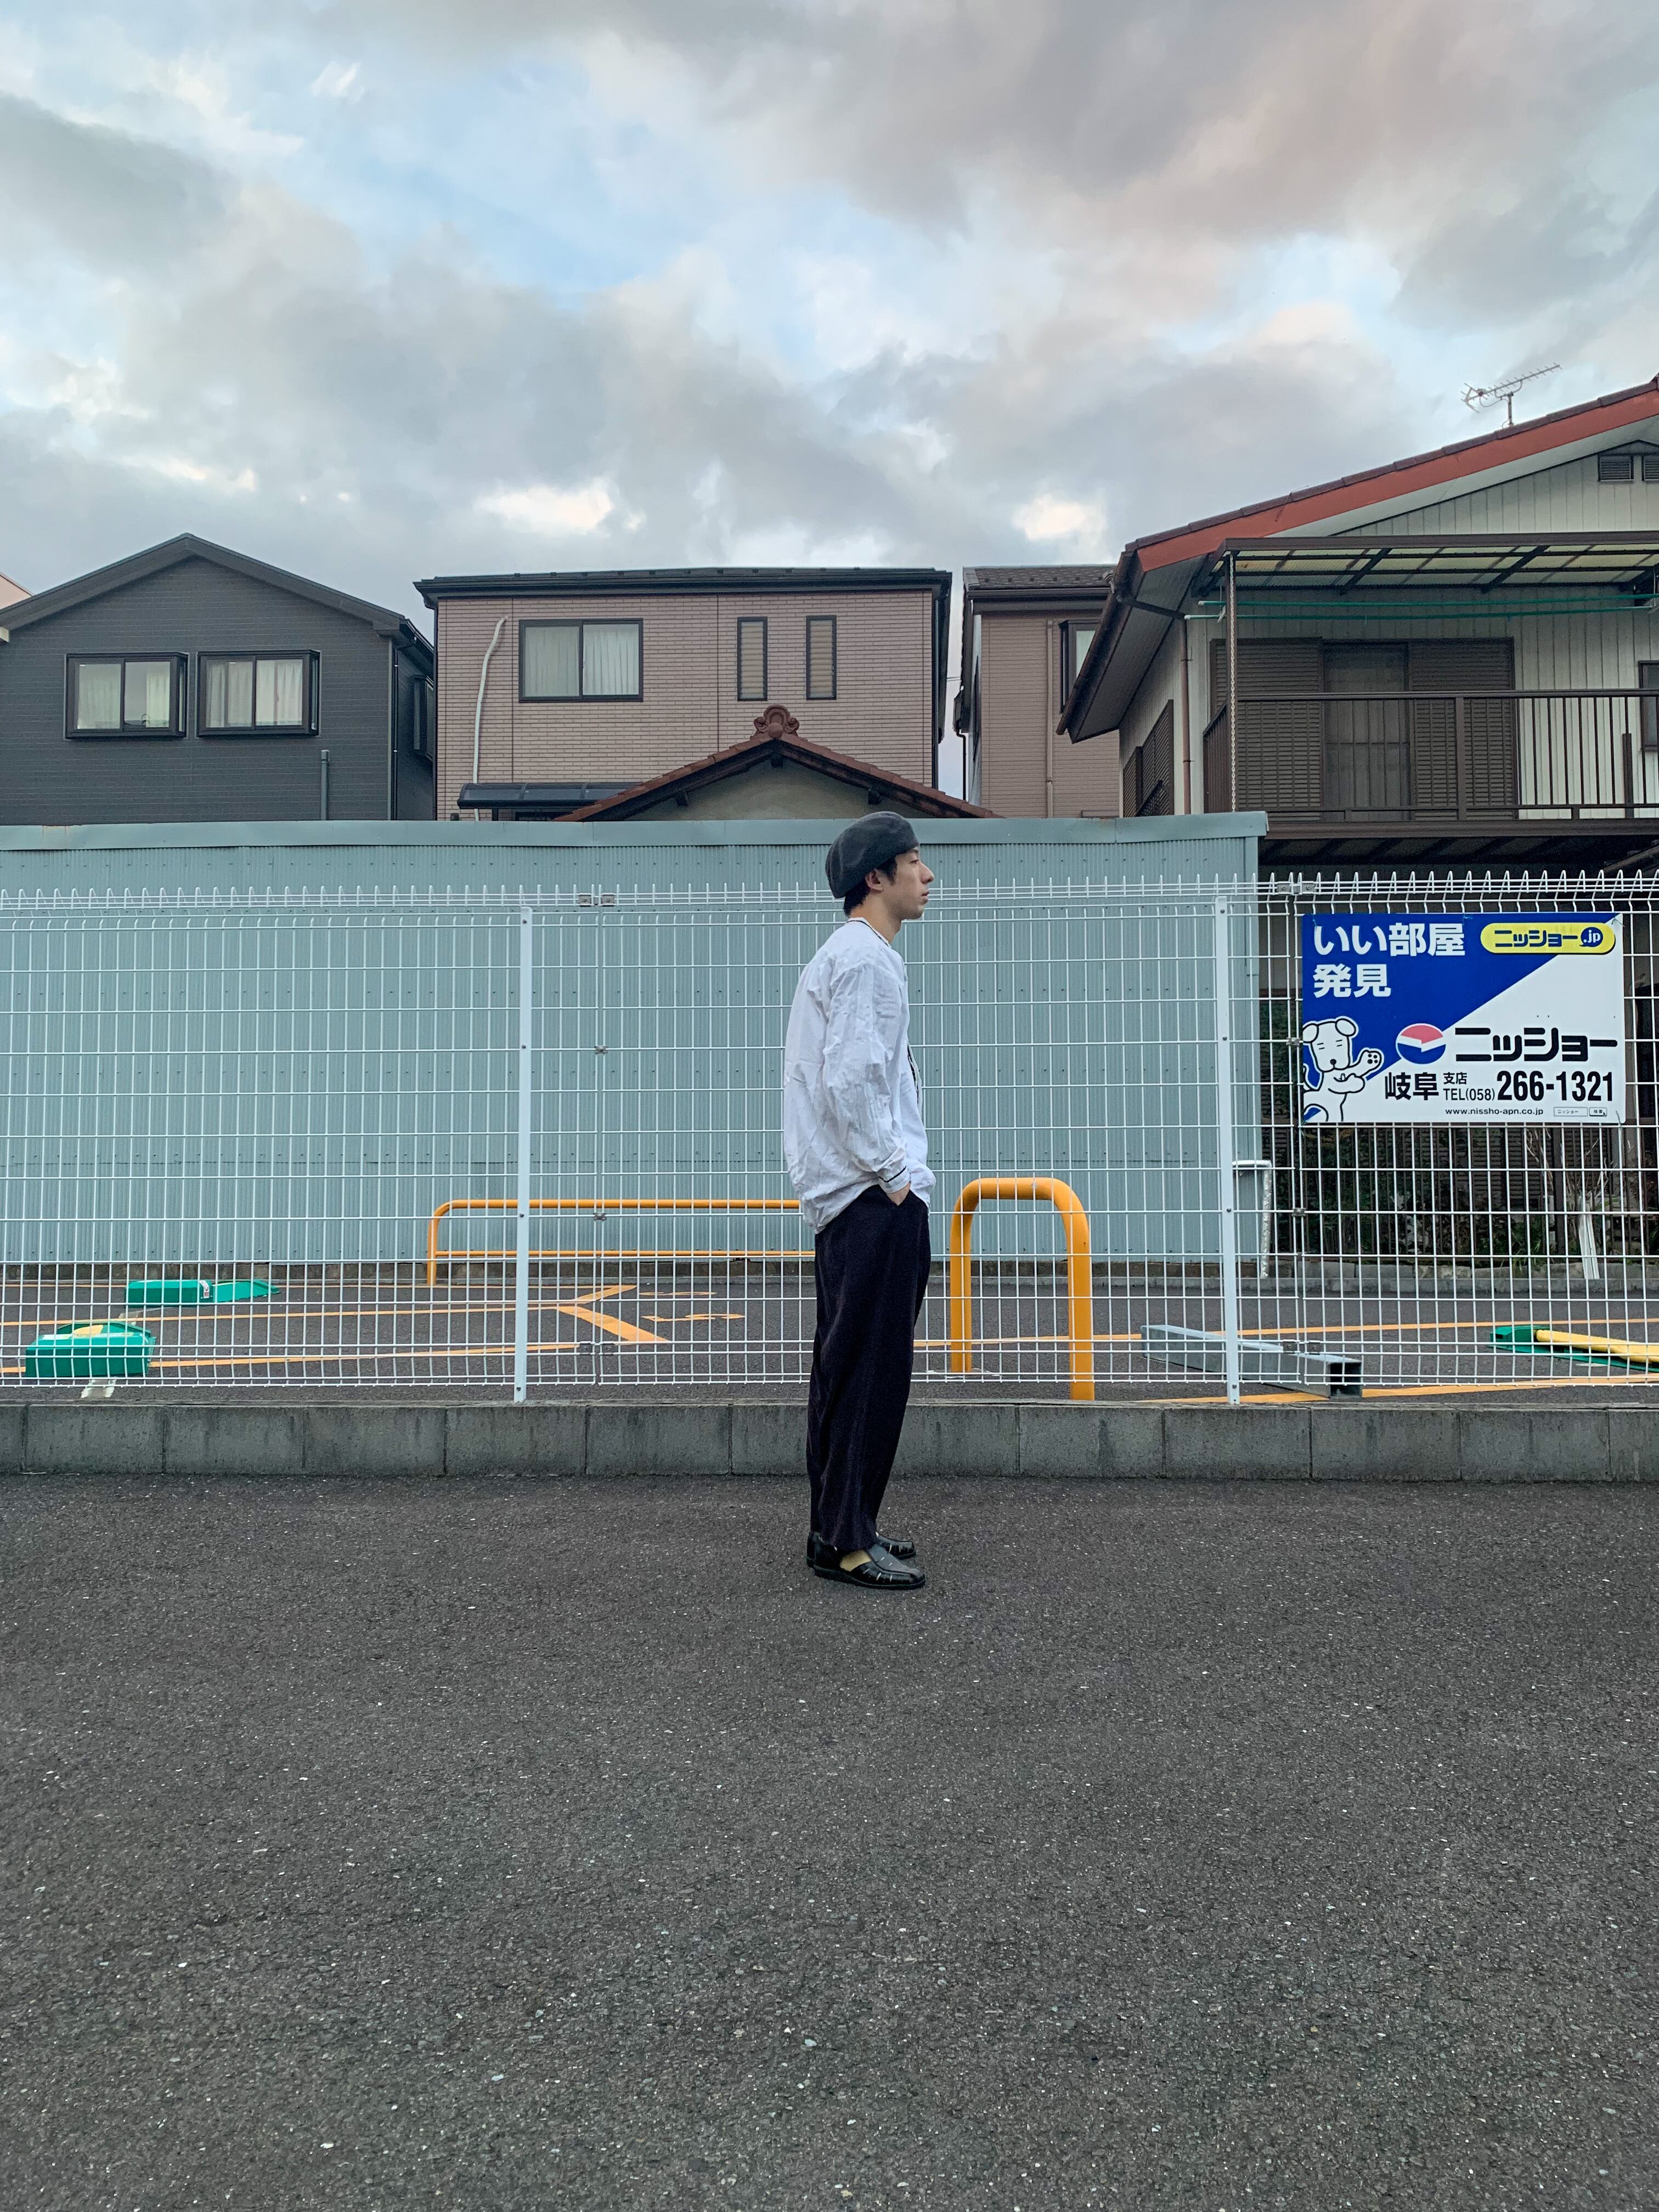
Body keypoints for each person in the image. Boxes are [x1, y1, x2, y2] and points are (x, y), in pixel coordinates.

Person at [782, 813, 936, 1591]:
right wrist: (896, 1173)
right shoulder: (866, 960)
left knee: (846, 1370)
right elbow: (851, 1080)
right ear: (875, 879)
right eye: (912, 862)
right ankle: (846, 1541)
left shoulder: (847, 957)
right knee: (870, 1374)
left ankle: (841, 1527)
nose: (927, 875)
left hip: (853, 1198)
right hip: (873, 1198)